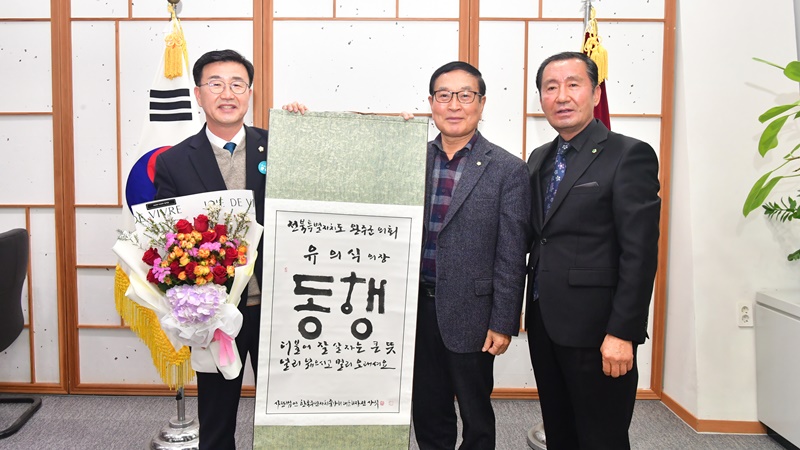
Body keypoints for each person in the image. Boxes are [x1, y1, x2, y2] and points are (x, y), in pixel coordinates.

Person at [153, 49, 305, 450]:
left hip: (281, 305)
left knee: (290, 408)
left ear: (249, 92)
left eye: (237, 84)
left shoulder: (281, 145)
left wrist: (305, 131)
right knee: (217, 417)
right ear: (198, 94)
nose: (227, 93)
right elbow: (165, 241)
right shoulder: (173, 162)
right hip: (216, 311)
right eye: (215, 83)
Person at [526, 51, 661, 449]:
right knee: (560, 432)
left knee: (602, 437)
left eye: (573, 84)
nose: (561, 96)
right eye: (550, 87)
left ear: (596, 93)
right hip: (545, 323)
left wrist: (623, 332)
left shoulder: (629, 154)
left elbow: (640, 254)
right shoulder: (539, 158)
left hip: (599, 331)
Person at [412, 61, 531, 449]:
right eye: (444, 95)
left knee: (476, 413)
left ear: (481, 103)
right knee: (427, 407)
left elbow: (512, 253)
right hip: (414, 309)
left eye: (465, 95)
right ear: (431, 102)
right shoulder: (409, 160)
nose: (454, 105)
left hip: (473, 313)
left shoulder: (508, 169)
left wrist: (503, 321)